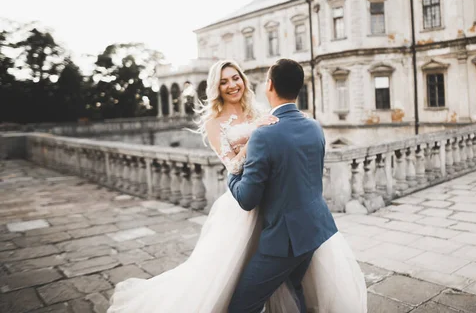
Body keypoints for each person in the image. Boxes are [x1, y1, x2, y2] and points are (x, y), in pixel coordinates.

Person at [107, 59, 367, 313]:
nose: (232, 85)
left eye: (235, 78)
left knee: (280, 282)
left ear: (252, 82)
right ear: (216, 88)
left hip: (275, 204)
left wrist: (259, 137)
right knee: (230, 276)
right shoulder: (214, 122)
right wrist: (251, 142)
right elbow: (232, 166)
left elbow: (279, 151)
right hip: (244, 205)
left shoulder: (259, 111)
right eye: (224, 82)